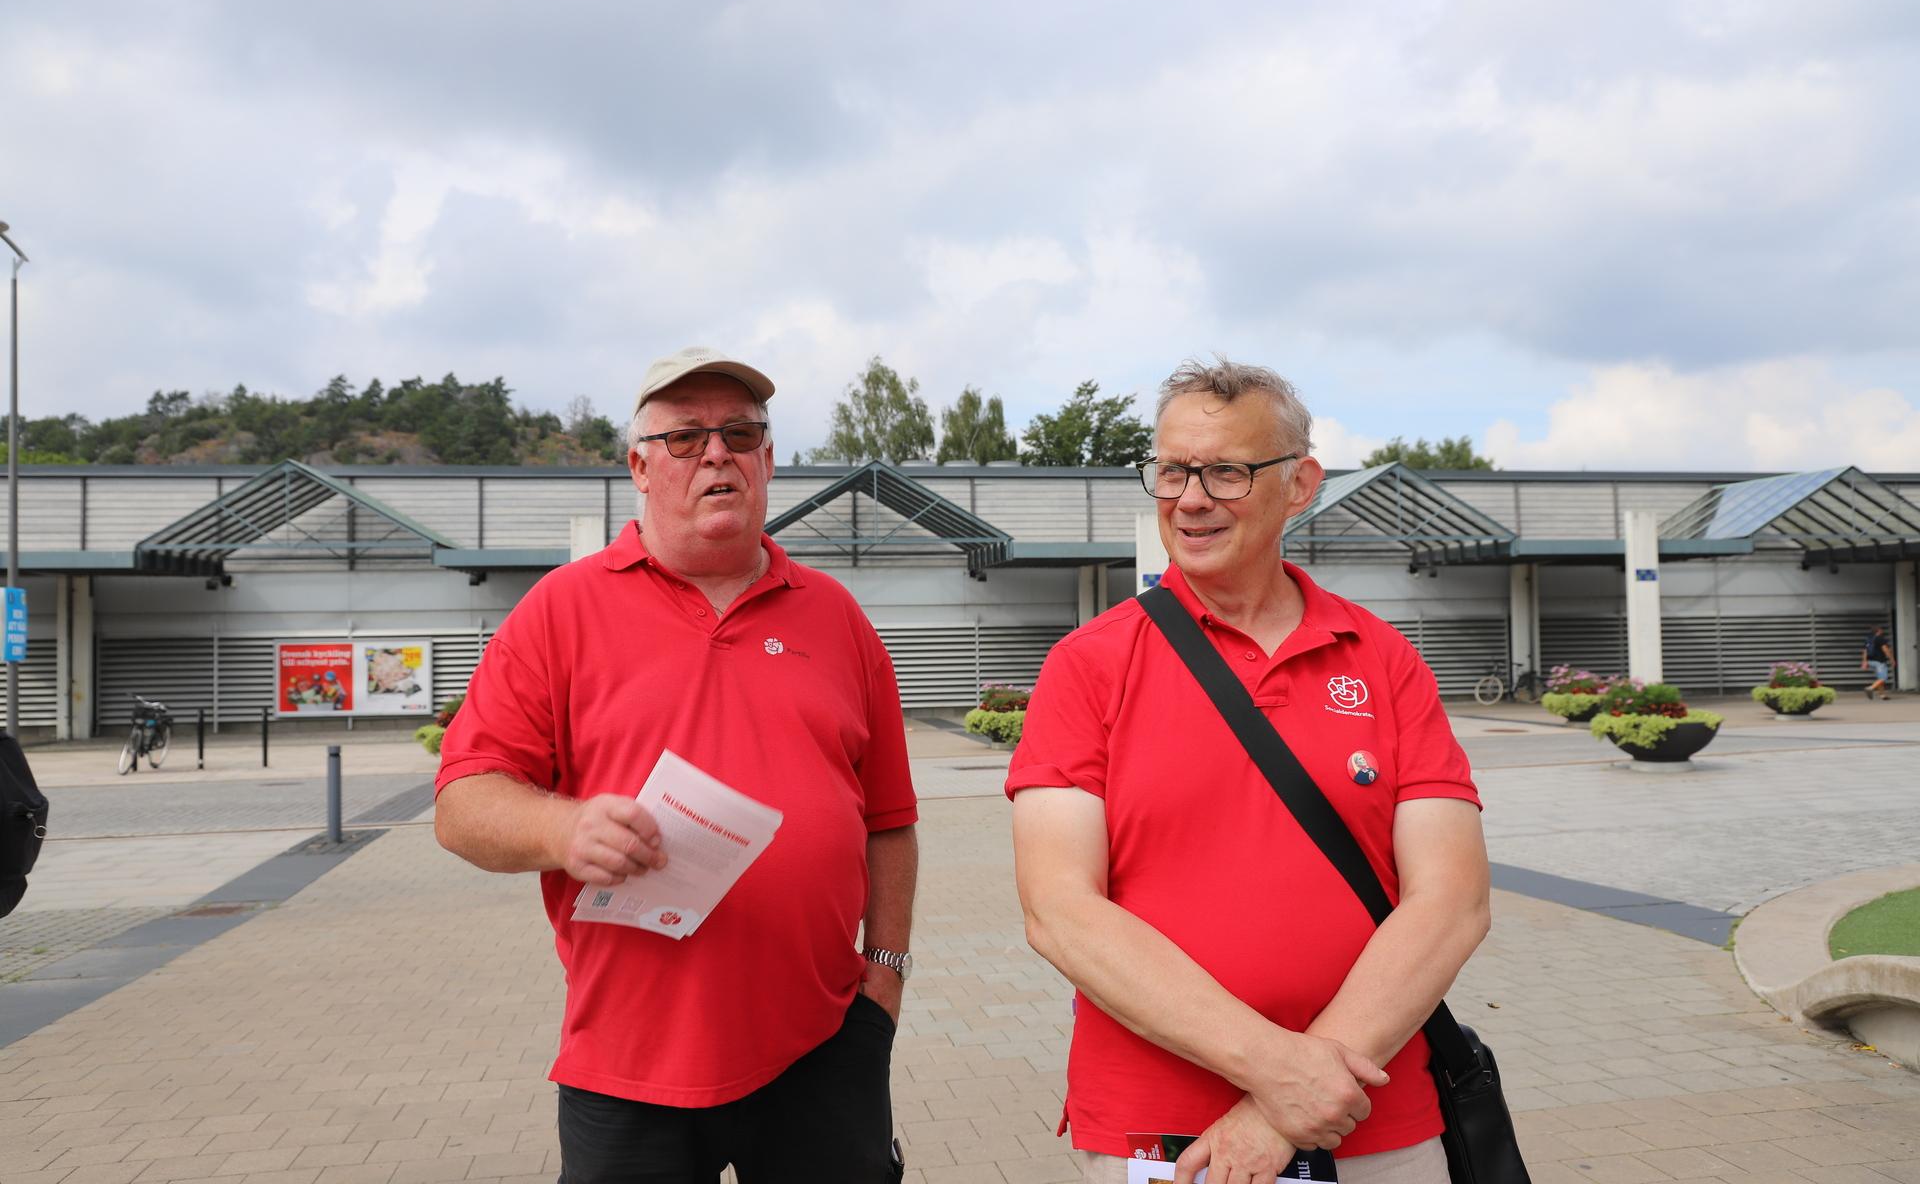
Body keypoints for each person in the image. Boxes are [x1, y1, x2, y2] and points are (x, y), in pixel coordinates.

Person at [434, 347, 918, 1183]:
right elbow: (461, 803)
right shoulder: (562, 609)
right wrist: (563, 826)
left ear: (767, 459)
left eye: (739, 432)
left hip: (824, 1042)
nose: (717, 452)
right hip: (627, 1058)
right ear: (639, 467)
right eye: (687, 437)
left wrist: (888, 971)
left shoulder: (838, 618)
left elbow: (890, 821)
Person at [1007, 359, 1491, 1184]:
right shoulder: (1088, 664)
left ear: (1300, 485)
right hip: (1159, 1134)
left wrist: (1293, 1100)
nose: (1190, 498)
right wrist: (1278, 1073)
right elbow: (1060, 910)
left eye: (1226, 471)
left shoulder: (1381, 658)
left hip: (1373, 1120)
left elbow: (1452, 900)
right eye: (1170, 469)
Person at [1862, 624, 1896, 700]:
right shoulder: (1880, 638)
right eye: (1881, 629)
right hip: (1879, 661)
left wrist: (1864, 661)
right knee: (1883, 678)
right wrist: (1892, 659)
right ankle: (1870, 688)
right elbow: (1885, 650)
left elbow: (1865, 651)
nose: (1882, 631)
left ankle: (1882, 695)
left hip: (1870, 661)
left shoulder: (1868, 639)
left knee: (1880, 679)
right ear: (1879, 630)